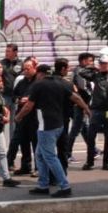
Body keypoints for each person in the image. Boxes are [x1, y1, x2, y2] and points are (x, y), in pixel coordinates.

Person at [15, 64, 90, 198]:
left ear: (39, 73)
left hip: (46, 126)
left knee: (49, 156)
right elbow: (76, 98)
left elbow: (29, 106)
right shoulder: (63, 83)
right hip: (59, 124)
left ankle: (64, 185)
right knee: (39, 154)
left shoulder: (38, 85)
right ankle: (43, 184)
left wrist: (18, 116)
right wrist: (87, 109)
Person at [8, 59, 38, 175]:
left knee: (36, 143)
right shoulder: (22, 82)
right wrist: (19, 100)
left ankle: (38, 168)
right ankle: (26, 165)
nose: (25, 71)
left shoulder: (38, 82)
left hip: (34, 117)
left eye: (28, 68)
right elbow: (13, 96)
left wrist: (29, 99)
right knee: (23, 142)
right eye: (24, 69)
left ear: (34, 68)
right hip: (22, 116)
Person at [66, 52, 94, 162]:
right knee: (76, 129)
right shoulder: (79, 73)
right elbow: (83, 88)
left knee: (84, 127)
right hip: (80, 104)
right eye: (90, 61)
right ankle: (67, 153)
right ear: (83, 61)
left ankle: (93, 149)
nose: (92, 63)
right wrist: (85, 103)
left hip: (83, 104)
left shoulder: (82, 72)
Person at [1, 44, 21, 150]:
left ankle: (12, 148)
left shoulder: (21, 64)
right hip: (5, 96)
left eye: (9, 51)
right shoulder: (2, 64)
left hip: (16, 98)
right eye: (6, 51)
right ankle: (1, 146)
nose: (6, 53)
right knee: (3, 121)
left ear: (15, 52)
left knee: (14, 123)